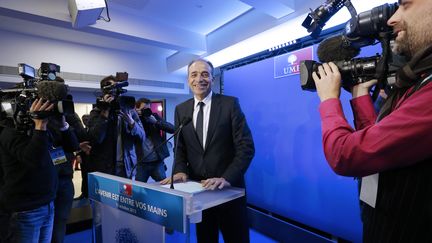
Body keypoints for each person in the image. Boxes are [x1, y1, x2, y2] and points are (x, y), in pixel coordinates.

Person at [311, 0, 432, 241]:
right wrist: (360, 96)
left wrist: (328, 100)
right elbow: (380, 141)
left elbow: (345, 155)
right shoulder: (420, 82)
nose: (391, 19)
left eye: (405, 5)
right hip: (383, 222)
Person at [161, 59, 255, 243]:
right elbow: (181, 148)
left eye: (205, 74)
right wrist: (180, 170)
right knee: (205, 239)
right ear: (188, 80)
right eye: (194, 75)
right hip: (199, 194)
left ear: (212, 78)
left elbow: (246, 147)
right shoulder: (182, 109)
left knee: (236, 239)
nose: (199, 79)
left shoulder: (230, 104)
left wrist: (226, 178)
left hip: (229, 192)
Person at [0, 93, 78, 243]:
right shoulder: (10, 132)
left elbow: (72, 146)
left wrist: (62, 124)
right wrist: (40, 125)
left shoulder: (45, 128)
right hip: (26, 209)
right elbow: (35, 160)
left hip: (47, 203)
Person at [87, 75, 145, 179]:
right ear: (103, 92)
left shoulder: (129, 111)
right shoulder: (96, 112)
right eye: (109, 89)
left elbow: (142, 137)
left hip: (126, 166)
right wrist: (105, 112)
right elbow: (96, 138)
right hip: (105, 166)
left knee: (126, 195)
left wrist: (131, 123)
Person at [135, 98, 175, 182]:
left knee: (163, 186)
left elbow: (172, 129)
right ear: (137, 109)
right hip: (141, 162)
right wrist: (135, 117)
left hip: (157, 162)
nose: (146, 111)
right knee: (139, 188)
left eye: (148, 109)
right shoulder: (134, 119)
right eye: (143, 109)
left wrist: (156, 122)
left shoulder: (153, 117)